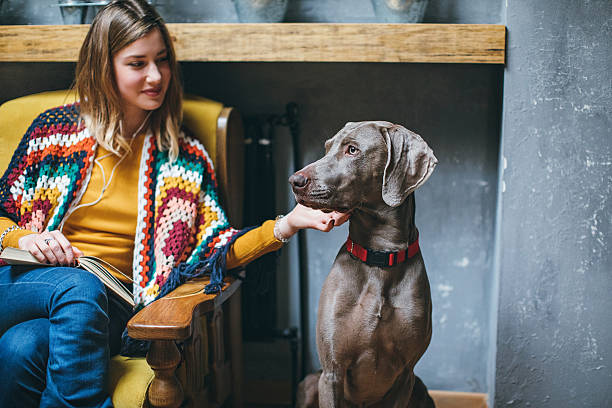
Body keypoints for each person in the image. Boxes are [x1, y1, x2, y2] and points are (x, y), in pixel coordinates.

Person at [0, 1, 349, 406]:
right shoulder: (51, 133)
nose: (155, 76)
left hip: (109, 309)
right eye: (137, 63)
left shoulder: (182, 159)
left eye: (162, 61)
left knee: (21, 348)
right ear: (103, 67)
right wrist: (25, 238)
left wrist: (287, 224)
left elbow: (215, 249)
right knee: (79, 285)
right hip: (24, 284)